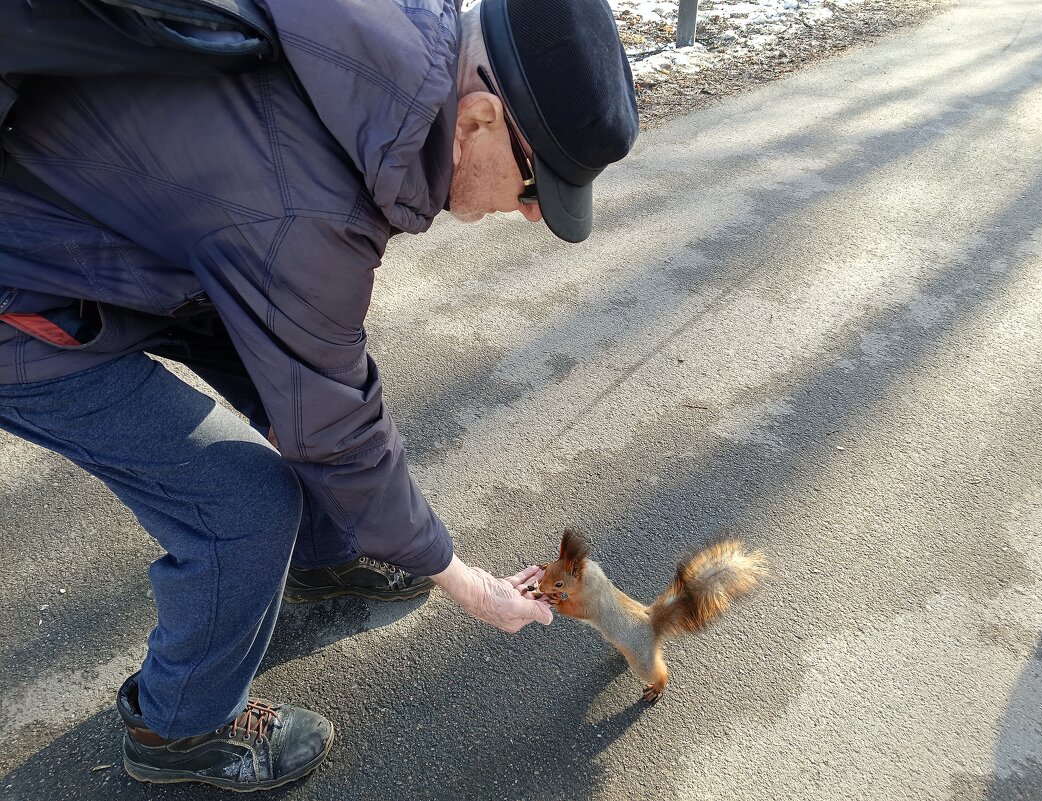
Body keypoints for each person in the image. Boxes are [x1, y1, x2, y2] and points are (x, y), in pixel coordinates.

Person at [0, 0, 639, 790]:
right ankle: (179, 727)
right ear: (475, 119)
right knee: (243, 505)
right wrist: (461, 579)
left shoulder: (385, 38)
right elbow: (335, 424)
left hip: (123, 227)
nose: (534, 210)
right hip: (26, 297)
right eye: (538, 181)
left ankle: (332, 554)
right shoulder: (304, 210)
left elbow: (316, 383)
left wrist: (395, 525)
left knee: (295, 388)